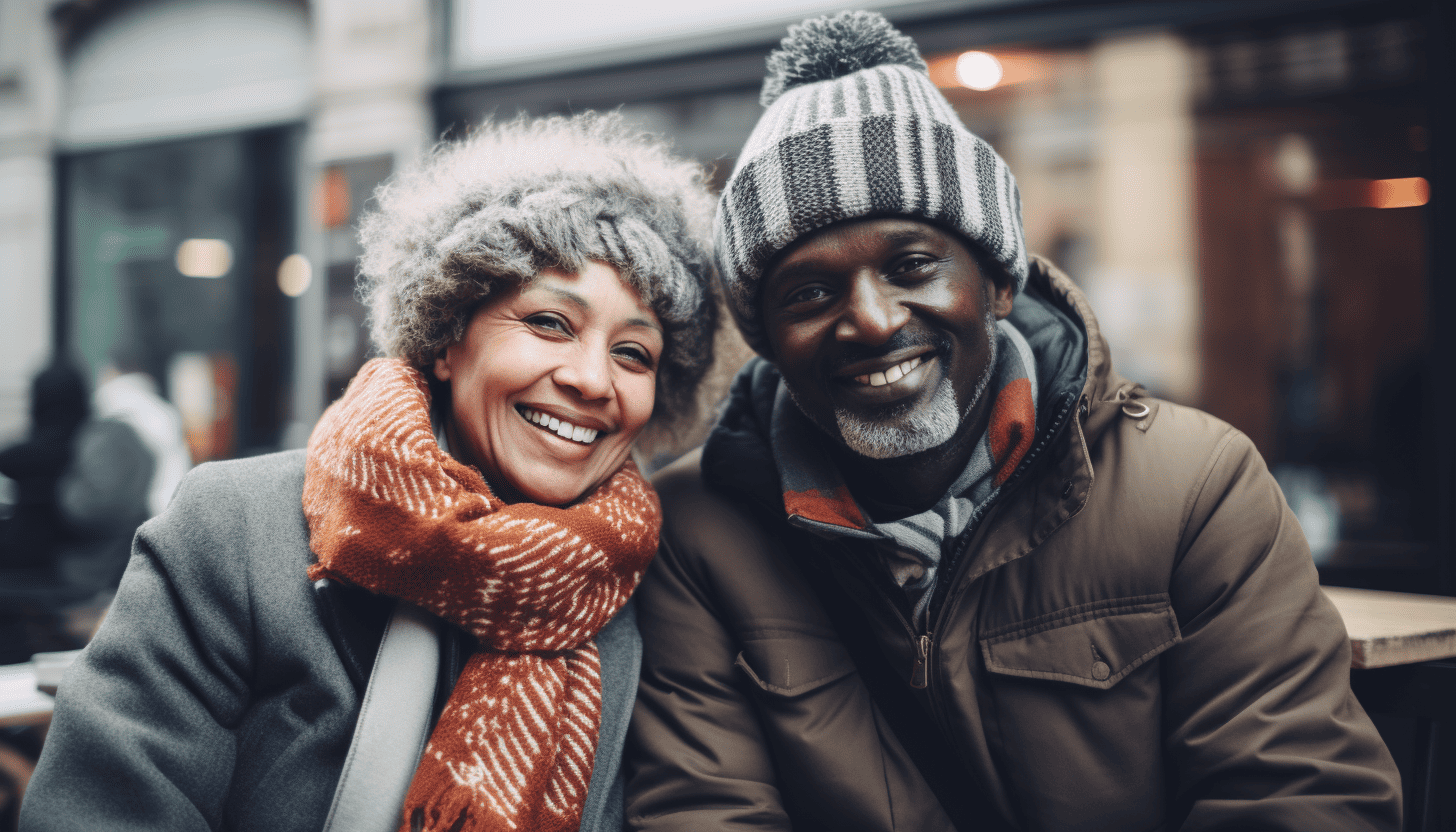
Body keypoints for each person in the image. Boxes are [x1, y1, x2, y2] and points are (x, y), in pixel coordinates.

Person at [625, 12, 1402, 832]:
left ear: (998, 283)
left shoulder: (1196, 489)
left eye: (912, 265)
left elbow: (1301, 803)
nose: (874, 320)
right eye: (809, 294)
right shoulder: (697, 532)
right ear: (768, 344)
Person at [22, 112, 718, 832]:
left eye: (634, 353)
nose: (592, 380)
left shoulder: (663, 587)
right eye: (549, 323)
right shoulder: (233, 533)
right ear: (447, 338)